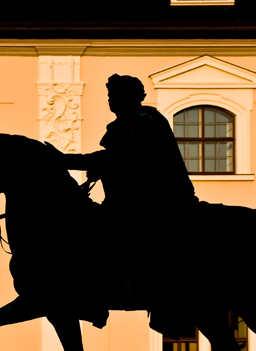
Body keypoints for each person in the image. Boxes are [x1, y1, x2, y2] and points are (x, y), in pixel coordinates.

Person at [54, 73, 199, 304]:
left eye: (115, 96)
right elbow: (118, 161)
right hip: (130, 200)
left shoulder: (143, 119)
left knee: (103, 235)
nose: (110, 101)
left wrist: (65, 161)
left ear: (130, 97)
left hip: (153, 202)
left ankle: (137, 293)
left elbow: (118, 158)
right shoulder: (130, 121)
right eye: (110, 96)